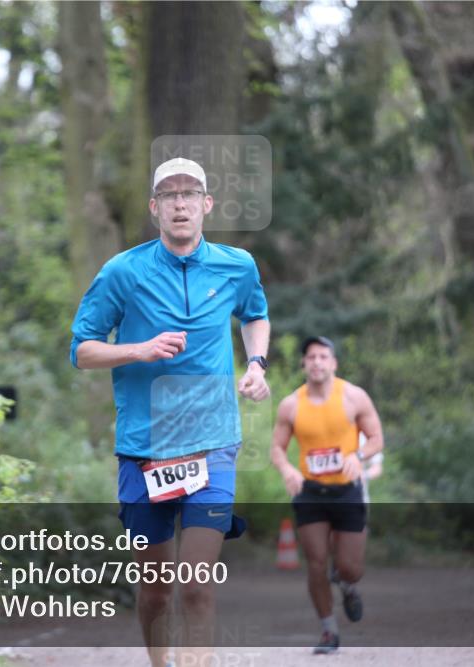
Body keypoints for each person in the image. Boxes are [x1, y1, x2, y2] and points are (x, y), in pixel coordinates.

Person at [70, 157, 271, 667]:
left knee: (196, 584)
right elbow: (82, 350)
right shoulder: (122, 272)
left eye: (190, 194)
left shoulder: (237, 265)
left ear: (206, 205)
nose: (180, 203)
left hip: (213, 445)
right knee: (157, 591)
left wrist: (257, 364)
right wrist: (138, 349)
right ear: (154, 208)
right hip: (144, 449)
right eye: (169, 195)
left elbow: (256, 315)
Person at [270, 335, 384, 654]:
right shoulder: (292, 404)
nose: (317, 362)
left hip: (348, 490)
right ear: (304, 364)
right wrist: (287, 470)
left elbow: (376, 439)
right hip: (311, 493)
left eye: (323, 356)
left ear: (333, 363)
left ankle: (347, 585)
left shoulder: (353, 397)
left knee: (350, 567)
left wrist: (357, 456)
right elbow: (277, 448)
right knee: (316, 562)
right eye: (311, 357)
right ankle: (328, 630)